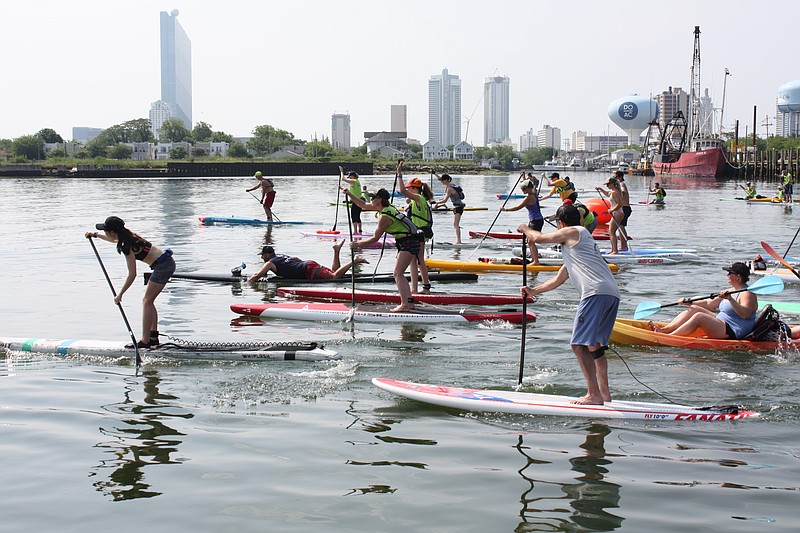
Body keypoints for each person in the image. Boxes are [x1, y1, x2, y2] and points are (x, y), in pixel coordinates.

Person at [518, 204, 620, 405]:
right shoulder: (579, 246)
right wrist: (533, 291)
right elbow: (558, 279)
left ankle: (593, 395)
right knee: (594, 345)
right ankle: (604, 394)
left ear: (560, 223)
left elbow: (537, 238)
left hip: (594, 293)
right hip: (611, 293)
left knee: (578, 345)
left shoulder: (573, 231)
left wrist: (524, 228)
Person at [86, 216, 175, 348]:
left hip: (163, 266)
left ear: (112, 232)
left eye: (105, 231)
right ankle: (153, 337)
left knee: (146, 301)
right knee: (149, 301)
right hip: (164, 263)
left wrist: (120, 294)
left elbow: (132, 274)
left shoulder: (126, 246)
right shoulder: (127, 235)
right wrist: (95, 235)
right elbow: (113, 239)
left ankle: (145, 341)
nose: (105, 233)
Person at [344, 187, 425, 312]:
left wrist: (358, 244)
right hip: (408, 241)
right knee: (399, 273)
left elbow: (375, 238)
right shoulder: (387, 207)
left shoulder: (384, 217)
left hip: (408, 242)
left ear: (379, 200)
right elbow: (362, 204)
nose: (371, 200)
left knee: (397, 274)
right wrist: (349, 193)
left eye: (373, 198)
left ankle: (404, 305)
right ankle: (409, 302)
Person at [650, 262, 757, 339]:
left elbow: (745, 315)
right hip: (722, 321)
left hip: (734, 330)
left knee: (699, 317)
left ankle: (669, 338)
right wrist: (689, 302)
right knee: (694, 309)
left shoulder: (747, 293)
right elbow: (709, 303)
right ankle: (665, 330)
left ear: (738, 277)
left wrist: (730, 300)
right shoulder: (730, 290)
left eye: (730, 273)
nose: (727, 275)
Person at [395, 160, 434, 293]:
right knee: (416, 262)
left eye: (410, 188)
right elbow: (407, 200)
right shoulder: (418, 199)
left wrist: (399, 174)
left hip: (418, 234)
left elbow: (401, 191)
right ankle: (418, 288)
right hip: (418, 234)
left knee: (417, 262)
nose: (407, 190)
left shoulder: (418, 198)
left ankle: (420, 288)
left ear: (415, 189)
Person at [246, 241, 367, 282]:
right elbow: (296, 259)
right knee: (335, 272)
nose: (262, 258)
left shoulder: (269, 263)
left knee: (335, 277)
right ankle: (336, 250)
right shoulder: (280, 256)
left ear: (267, 254)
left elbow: (257, 275)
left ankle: (354, 260)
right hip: (308, 264)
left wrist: (246, 283)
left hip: (309, 270)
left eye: (262, 255)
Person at [501, 172, 543, 264]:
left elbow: (518, 207)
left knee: (531, 242)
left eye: (524, 189)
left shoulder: (529, 198)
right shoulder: (534, 192)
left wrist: (505, 210)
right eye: (521, 188)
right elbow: (529, 184)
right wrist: (523, 177)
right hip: (535, 220)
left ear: (528, 189)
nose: (522, 190)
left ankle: (536, 261)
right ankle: (533, 259)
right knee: (529, 241)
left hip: (536, 221)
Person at [595, 177, 627, 254]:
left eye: (608, 184)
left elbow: (620, 204)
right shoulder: (613, 191)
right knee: (612, 231)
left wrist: (611, 210)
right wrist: (600, 189)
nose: (607, 186)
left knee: (611, 232)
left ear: (613, 184)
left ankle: (615, 251)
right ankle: (615, 249)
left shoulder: (615, 192)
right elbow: (607, 194)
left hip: (617, 213)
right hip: (617, 213)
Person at [432, 172, 465, 244]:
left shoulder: (449, 189)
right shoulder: (451, 185)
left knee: (455, 224)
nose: (441, 181)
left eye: (442, 180)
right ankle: (458, 240)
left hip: (458, 207)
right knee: (456, 224)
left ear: (446, 180)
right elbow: (439, 178)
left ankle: (458, 241)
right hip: (459, 206)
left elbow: (445, 200)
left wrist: (435, 202)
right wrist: (434, 173)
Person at [340, 167, 364, 234]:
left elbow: (343, 179)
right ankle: (360, 230)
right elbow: (350, 191)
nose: (349, 178)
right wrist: (341, 188)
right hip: (360, 200)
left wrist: (341, 171)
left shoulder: (354, 181)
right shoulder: (357, 182)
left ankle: (355, 231)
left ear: (353, 176)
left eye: (350, 177)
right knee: (358, 216)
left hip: (356, 201)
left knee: (353, 216)